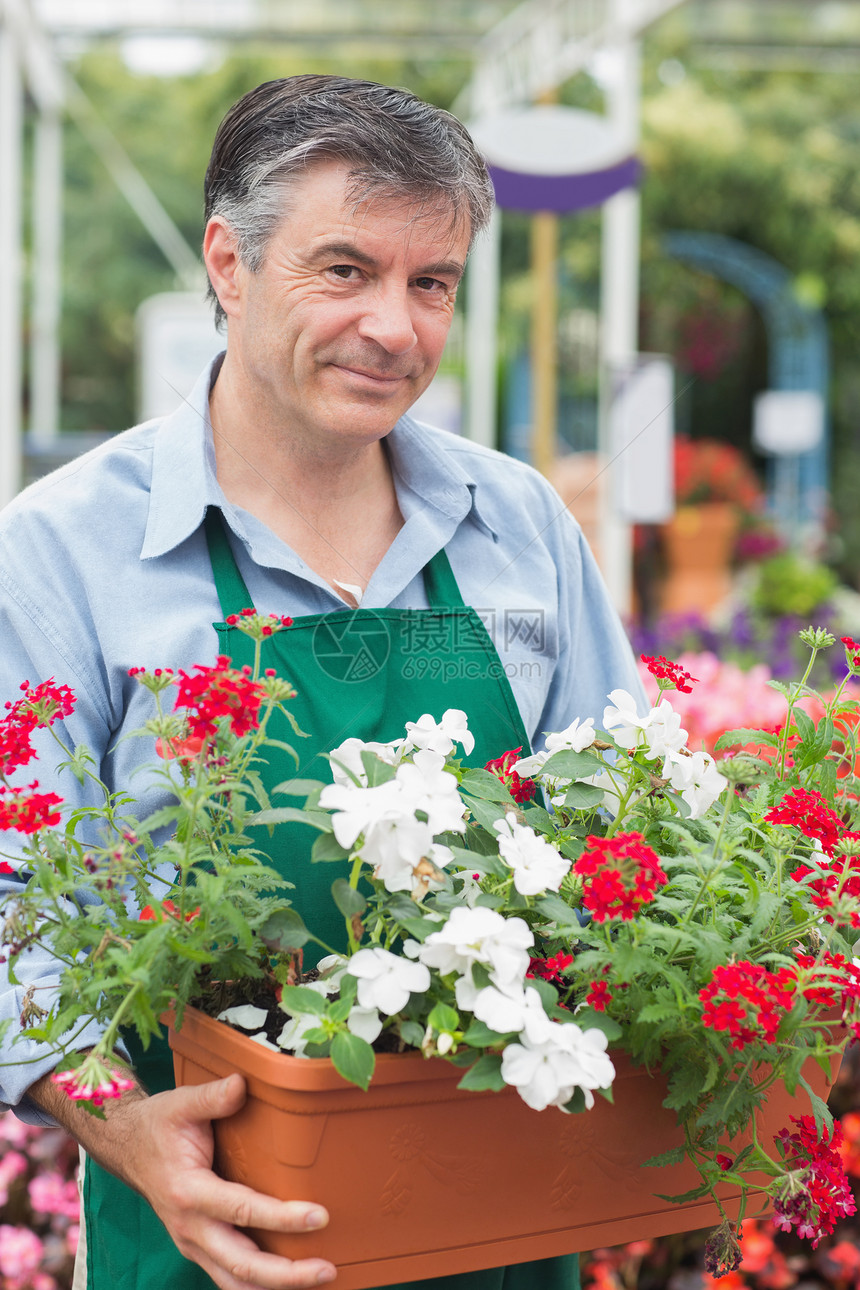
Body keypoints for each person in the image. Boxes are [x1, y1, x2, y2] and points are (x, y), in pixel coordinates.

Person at [0, 75, 645, 1290]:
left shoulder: (515, 525)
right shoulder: (63, 552)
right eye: (344, 270)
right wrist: (120, 1131)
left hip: (500, 1211)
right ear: (229, 264)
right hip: (216, 1227)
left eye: (431, 282)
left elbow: (631, 826)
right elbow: (8, 909)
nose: (395, 328)